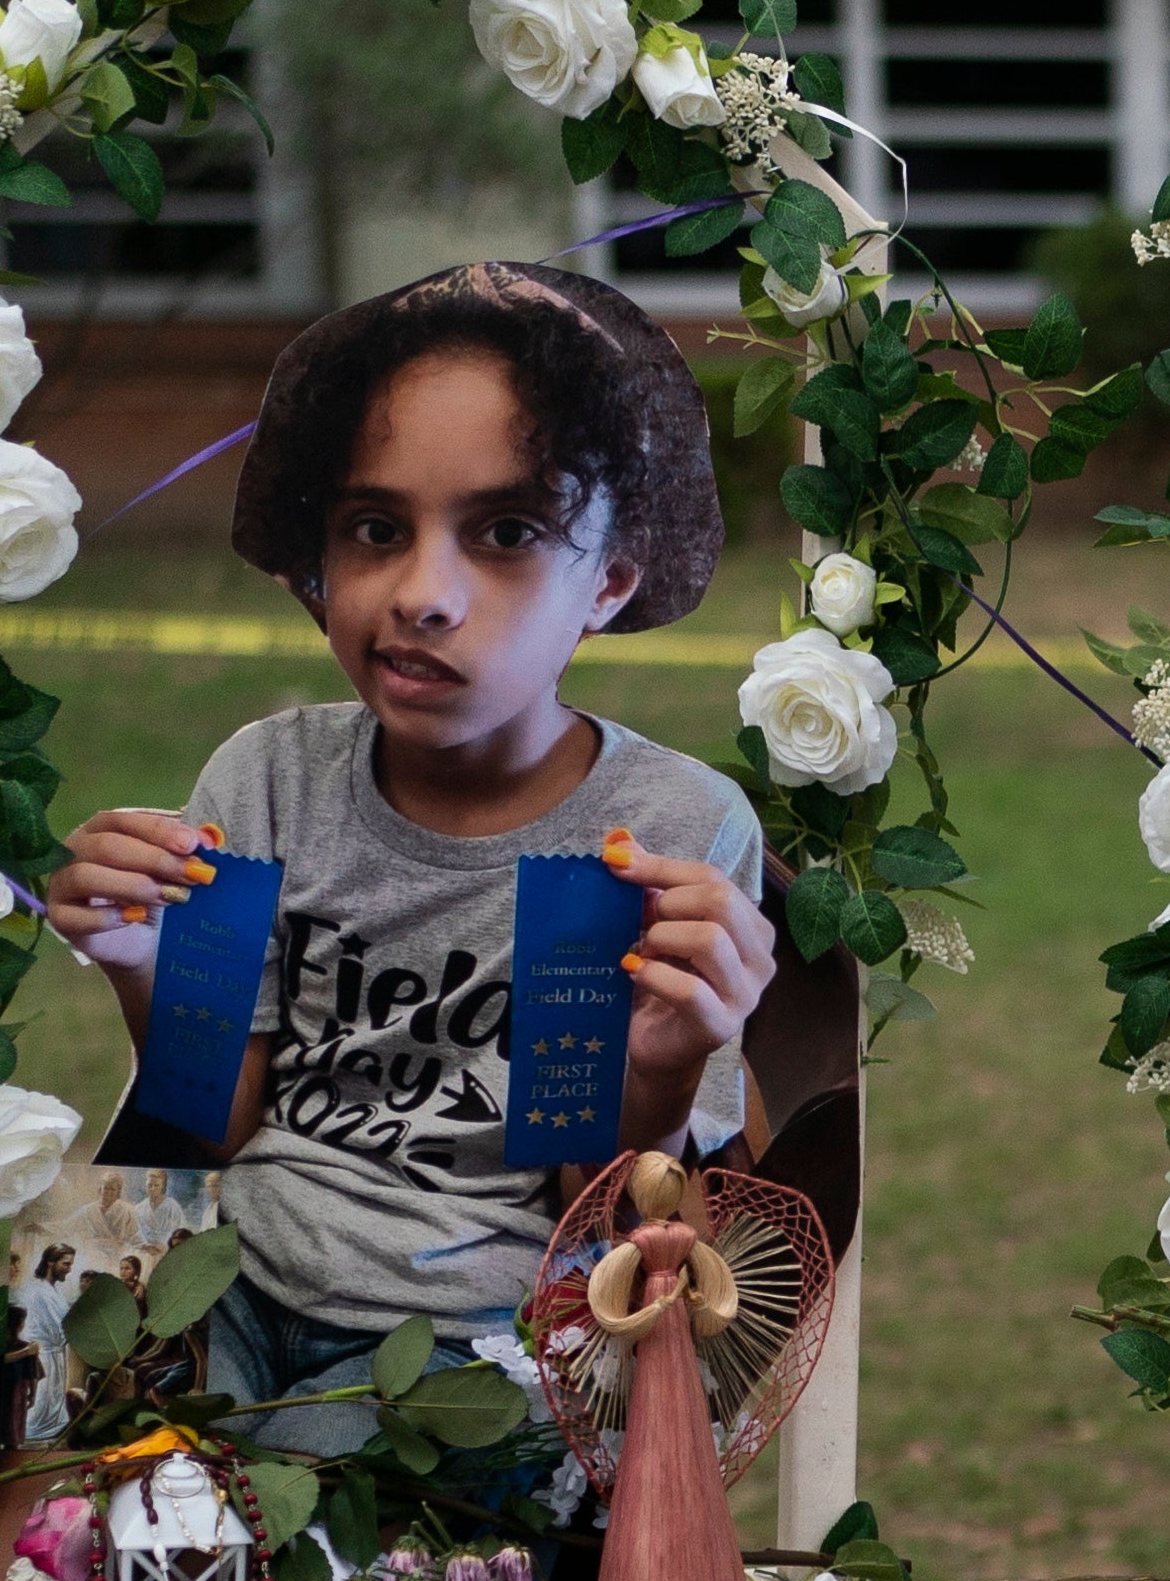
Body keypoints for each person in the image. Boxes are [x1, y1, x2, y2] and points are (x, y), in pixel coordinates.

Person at [45, 263, 773, 1438]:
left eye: (507, 532)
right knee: (69, 1462)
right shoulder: (264, 780)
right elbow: (211, 1121)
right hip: (224, 1292)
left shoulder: (663, 834)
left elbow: (593, 1221)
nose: (423, 593)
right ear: (318, 561)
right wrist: (143, 961)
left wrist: (667, 1066)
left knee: (262, 1509)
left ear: (612, 580)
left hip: (474, 1353)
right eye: (376, 528)